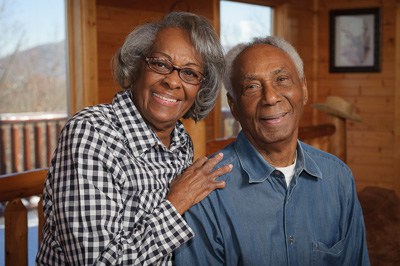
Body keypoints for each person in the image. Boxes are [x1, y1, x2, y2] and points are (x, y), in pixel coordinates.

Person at [36, 11, 232, 265]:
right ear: (137, 66)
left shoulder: (181, 141)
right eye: (161, 64)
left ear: (200, 88)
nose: (172, 81)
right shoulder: (91, 133)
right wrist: (177, 202)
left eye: (190, 73)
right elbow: (96, 262)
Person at [175, 36, 370, 265]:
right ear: (234, 106)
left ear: (303, 89)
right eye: (252, 87)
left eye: (282, 79)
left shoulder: (339, 178)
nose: (270, 97)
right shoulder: (206, 191)